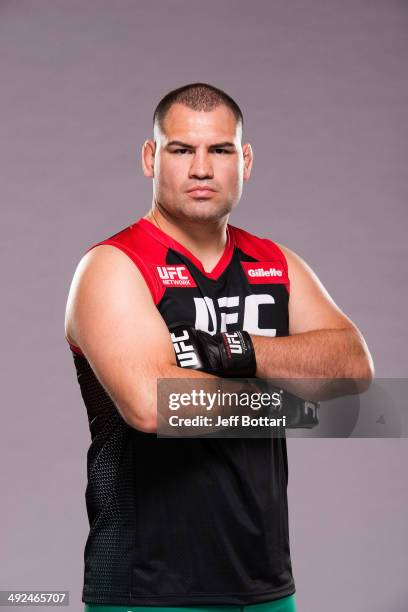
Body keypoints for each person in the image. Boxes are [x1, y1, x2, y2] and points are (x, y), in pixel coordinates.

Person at [64, 82, 374, 612]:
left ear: (245, 160)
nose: (202, 169)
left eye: (220, 150)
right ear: (150, 157)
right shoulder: (114, 266)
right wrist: (294, 403)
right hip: (147, 589)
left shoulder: (275, 264)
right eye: (181, 150)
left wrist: (237, 351)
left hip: (266, 585)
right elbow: (152, 405)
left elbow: (354, 370)